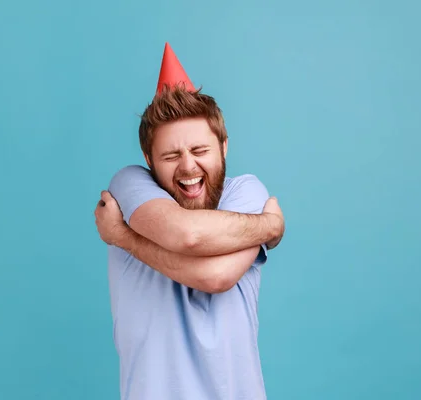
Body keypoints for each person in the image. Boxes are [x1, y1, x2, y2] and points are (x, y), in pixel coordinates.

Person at [94, 43, 285, 400]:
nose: (188, 167)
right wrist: (271, 226)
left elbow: (215, 277)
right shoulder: (129, 185)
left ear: (224, 147)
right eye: (170, 155)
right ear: (148, 159)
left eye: (200, 151)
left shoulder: (246, 191)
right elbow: (189, 235)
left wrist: (123, 235)